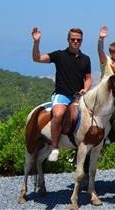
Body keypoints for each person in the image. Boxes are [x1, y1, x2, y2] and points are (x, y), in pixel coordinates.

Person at [32, 27, 92, 162]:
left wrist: (86, 89)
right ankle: (54, 147)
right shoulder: (59, 55)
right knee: (58, 114)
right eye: (73, 39)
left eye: (78, 39)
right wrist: (36, 42)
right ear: (68, 40)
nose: (75, 41)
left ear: (81, 41)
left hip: (78, 96)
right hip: (62, 94)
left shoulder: (86, 59)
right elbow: (37, 58)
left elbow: (88, 78)